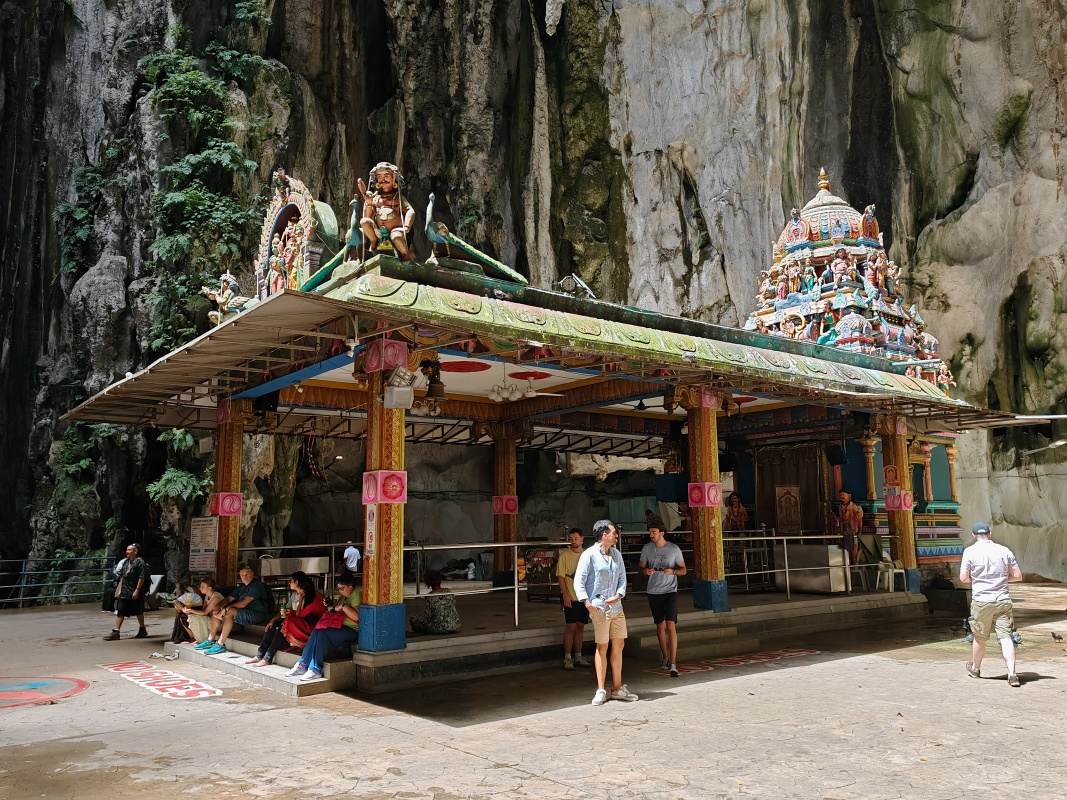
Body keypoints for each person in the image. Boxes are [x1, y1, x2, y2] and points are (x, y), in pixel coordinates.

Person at [573, 519, 638, 705]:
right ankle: (601, 689)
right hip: (599, 608)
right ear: (603, 535)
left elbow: (623, 578)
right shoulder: (589, 555)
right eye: (613, 532)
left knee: (619, 645)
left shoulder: (617, 554)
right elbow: (579, 580)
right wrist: (586, 602)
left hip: (617, 607)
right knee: (602, 646)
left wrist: (619, 594)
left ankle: (617, 688)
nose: (616, 535)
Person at [959, 521, 1024, 687]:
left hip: (981, 601)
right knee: (1005, 637)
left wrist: (978, 579)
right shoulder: (1004, 550)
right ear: (990, 534)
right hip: (1002, 600)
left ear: (974, 536)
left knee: (980, 638)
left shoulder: (970, 551)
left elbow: (963, 578)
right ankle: (1012, 673)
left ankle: (975, 668)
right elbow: (1017, 575)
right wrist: (1001, 579)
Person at [287, 572, 361, 681]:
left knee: (322, 634)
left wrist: (344, 607)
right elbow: (336, 610)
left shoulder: (356, 594)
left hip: (353, 630)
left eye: (342, 588)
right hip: (341, 626)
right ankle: (302, 664)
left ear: (350, 586)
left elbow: (357, 617)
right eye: (338, 588)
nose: (339, 591)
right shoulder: (344, 596)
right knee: (317, 631)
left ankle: (315, 669)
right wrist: (331, 605)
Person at [247, 572, 326, 667]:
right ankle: (260, 654)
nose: (289, 583)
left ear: (297, 582)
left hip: (309, 628)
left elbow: (301, 615)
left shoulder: (313, 596)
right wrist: (273, 619)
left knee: (281, 626)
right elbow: (287, 611)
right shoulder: (295, 595)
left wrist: (300, 600)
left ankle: (267, 658)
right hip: (297, 623)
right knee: (274, 624)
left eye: (291, 581)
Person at [639, 520, 687, 677]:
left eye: (654, 531)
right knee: (660, 626)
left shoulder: (674, 549)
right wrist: (646, 571)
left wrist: (672, 572)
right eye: (650, 532)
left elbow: (684, 570)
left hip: (670, 590)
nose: (651, 534)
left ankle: (673, 663)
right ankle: (665, 657)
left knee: (671, 624)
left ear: (662, 532)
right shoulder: (647, 548)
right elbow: (641, 567)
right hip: (653, 591)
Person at [196, 564, 274, 655]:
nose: (244, 577)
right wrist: (219, 607)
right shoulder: (242, 587)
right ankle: (210, 640)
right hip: (246, 613)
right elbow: (229, 599)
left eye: (247, 574)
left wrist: (226, 608)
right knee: (216, 610)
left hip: (260, 614)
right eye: (242, 575)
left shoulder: (257, 586)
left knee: (230, 611)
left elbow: (243, 603)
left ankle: (220, 644)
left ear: (252, 574)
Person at [357, 162, 415, 261]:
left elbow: (410, 211)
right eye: (379, 176)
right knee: (364, 222)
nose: (383, 179)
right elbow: (368, 216)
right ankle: (374, 242)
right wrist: (369, 204)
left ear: (394, 179)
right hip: (378, 230)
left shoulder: (398, 197)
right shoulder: (376, 197)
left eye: (386, 176)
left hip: (395, 229)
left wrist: (406, 227)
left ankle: (405, 255)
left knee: (396, 237)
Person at [556, 528, 591, 669]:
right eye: (571, 539)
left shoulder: (588, 555)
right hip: (570, 595)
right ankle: (567, 657)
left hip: (583, 597)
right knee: (571, 626)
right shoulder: (564, 555)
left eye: (576, 538)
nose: (573, 541)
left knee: (581, 626)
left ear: (582, 539)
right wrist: (565, 594)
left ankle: (578, 655)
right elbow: (561, 576)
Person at [104, 544, 149, 641]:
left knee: (138, 611)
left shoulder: (139, 562)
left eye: (129, 550)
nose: (127, 552)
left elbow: (141, 577)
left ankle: (142, 630)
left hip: (135, 591)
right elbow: (121, 575)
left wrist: (137, 590)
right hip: (125, 591)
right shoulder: (126, 562)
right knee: (120, 610)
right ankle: (116, 632)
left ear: (135, 551)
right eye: (127, 550)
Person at [409, 570, 461, 635]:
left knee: (413, 619)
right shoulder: (449, 592)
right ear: (440, 580)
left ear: (428, 582)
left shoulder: (430, 596)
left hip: (438, 628)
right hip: (455, 626)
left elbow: (428, 616)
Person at [182, 577, 225, 644]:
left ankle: (202, 641)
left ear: (209, 588)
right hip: (209, 619)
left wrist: (190, 610)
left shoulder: (216, 597)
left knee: (193, 618)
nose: (200, 588)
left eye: (203, 587)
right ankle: (196, 638)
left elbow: (205, 612)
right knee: (186, 616)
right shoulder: (206, 596)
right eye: (200, 586)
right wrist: (189, 610)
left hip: (218, 623)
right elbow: (203, 610)